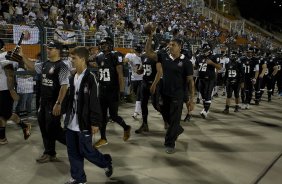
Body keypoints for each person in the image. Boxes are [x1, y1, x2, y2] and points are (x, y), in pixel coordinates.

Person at [64, 46, 113, 184]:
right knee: (73, 152)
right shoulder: (72, 77)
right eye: (71, 58)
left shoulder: (90, 78)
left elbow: (94, 102)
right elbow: (70, 99)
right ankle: (79, 179)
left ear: (82, 59)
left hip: (84, 122)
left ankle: (106, 162)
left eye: (74, 58)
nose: (71, 60)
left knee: (87, 151)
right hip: (71, 122)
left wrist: (95, 122)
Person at [145, 30, 195, 154]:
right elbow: (149, 53)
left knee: (174, 120)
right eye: (170, 44)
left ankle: (169, 143)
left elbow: (190, 82)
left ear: (180, 47)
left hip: (178, 95)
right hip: (164, 93)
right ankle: (177, 129)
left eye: (173, 45)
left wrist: (191, 99)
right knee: (162, 111)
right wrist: (150, 36)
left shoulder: (186, 63)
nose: (170, 46)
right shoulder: (164, 56)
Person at [20, 41, 69, 163]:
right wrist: (22, 55)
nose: (47, 50)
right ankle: (49, 153)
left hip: (54, 103)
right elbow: (31, 66)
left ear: (57, 50)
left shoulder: (62, 66)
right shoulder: (45, 64)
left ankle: (75, 144)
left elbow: (64, 86)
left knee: (53, 129)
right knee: (44, 127)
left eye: (50, 49)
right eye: (47, 48)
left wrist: (58, 103)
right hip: (43, 102)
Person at [94, 37, 131, 148]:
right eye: (101, 44)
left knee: (114, 116)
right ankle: (103, 138)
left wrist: (121, 90)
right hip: (102, 89)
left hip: (112, 90)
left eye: (105, 44)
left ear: (110, 44)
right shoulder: (99, 56)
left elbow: (120, 74)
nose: (102, 46)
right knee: (102, 116)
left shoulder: (116, 55)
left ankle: (126, 127)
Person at [0, 39, 31, 145]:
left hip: (5, 90)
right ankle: (2, 138)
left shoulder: (3, 56)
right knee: (2, 115)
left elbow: (10, 74)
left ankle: (24, 126)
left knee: (6, 114)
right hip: (2, 90)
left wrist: (11, 90)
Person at [195, 44, 222, 118]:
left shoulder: (214, 57)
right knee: (203, 95)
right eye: (204, 50)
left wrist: (212, 63)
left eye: (206, 50)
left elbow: (220, 67)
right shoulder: (199, 57)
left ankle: (206, 111)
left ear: (209, 50)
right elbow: (196, 67)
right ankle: (205, 109)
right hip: (201, 78)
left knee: (207, 94)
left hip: (210, 78)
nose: (204, 52)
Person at [123, 44, 143, 119]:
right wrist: (125, 61)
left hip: (142, 79)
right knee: (137, 95)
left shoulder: (143, 57)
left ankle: (136, 112)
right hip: (134, 79)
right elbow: (125, 60)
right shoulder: (131, 55)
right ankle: (138, 109)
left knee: (139, 95)